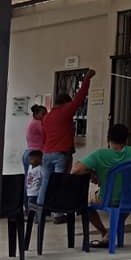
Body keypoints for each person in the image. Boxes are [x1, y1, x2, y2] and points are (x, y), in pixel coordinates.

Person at [72, 123, 131, 248]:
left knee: (84, 204)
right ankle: (110, 235)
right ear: (126, 140)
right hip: (130, 199)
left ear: (108, 138)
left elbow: (75, 170)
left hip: (106, 199)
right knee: (122, 206)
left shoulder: (100, 154)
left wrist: (93, 172)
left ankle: (104, 232)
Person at [38, 69, 95, 207]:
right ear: (65, 103)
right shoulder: (65, 111)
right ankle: (57, 210)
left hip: (46, 153)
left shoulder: (46, 117)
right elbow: (80, 97)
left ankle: (41, 207)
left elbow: (44, 137)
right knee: (61, 182)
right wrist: (87, 79)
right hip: (61, 154)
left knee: (46, 181)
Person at [23, 105, 47, 175]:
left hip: (28, 152)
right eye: (43, 114)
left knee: (28, 178)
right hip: (36, 154)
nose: (45, 116)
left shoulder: (32, 123)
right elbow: (45, 136)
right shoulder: (38, 123)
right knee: (37, 178)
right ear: (36, 114)